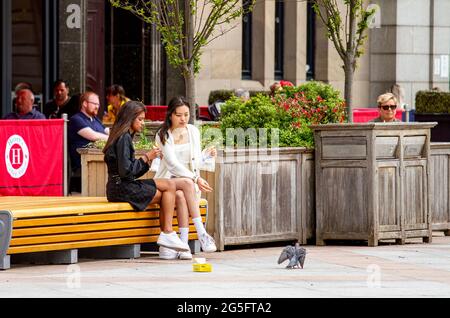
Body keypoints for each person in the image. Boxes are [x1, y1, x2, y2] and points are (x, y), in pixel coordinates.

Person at [103, 100, 190, 252]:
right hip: (122, 188)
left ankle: (167, 238)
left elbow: (130, 171)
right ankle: (167, 233)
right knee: (169, 188)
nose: (143, 123)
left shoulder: (123, 136)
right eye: (140, 119)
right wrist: (146, 157)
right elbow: (126, 171)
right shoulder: (124, 138)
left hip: (120, 186)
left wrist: (149, 159)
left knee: (169, 187)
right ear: (130, 118)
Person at [153, 96, 217, 260]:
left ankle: (183, 245)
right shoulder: (163, 135)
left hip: (186, 186)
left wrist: (207, 156)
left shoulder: (193, 131)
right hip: (167, 181)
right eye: (179, 115)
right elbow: (173, 165)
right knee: (186, 184)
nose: (183, 119)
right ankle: (201, 232)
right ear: (170, 115)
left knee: (181, 194)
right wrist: (196, 179)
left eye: (186, 115)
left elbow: (193, 160)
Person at [68, 92, 110, 191]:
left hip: (99, 160)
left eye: (98, 104)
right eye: (94, 104)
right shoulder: (76, 119)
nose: (97, 107)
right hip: (83, 164)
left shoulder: (95, 119)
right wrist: (114, 138)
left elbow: (108, 131)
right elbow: (93, 136)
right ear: (85, 104)